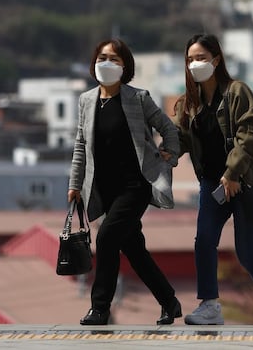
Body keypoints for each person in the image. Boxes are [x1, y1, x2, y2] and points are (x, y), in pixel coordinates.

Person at [173, 33, 253, 326]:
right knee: (204, 241)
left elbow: (250, 134)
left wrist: (232, 173)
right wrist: (163, 152)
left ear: (216, 60)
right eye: (190, 60)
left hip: (243, 182)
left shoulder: (237, 92)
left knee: (247, 253)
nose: (195, 64)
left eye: (200, 58)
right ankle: (209, 305)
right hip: (213, 185)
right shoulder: (189, 102)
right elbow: (179, 138)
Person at [68, 38, 182, 326]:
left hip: (134, 186)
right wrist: (75, 184)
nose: (107, 63)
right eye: (102, 57)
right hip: (105, 188)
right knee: (134, 250)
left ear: (125, 67)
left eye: (115, 59)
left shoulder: (138, 98)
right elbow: (81, 144)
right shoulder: (86, 100)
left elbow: (168, 128)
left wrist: (169, 157)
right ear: (94, 63)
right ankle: (169, 301)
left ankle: (100, 308)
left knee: (106, 237)